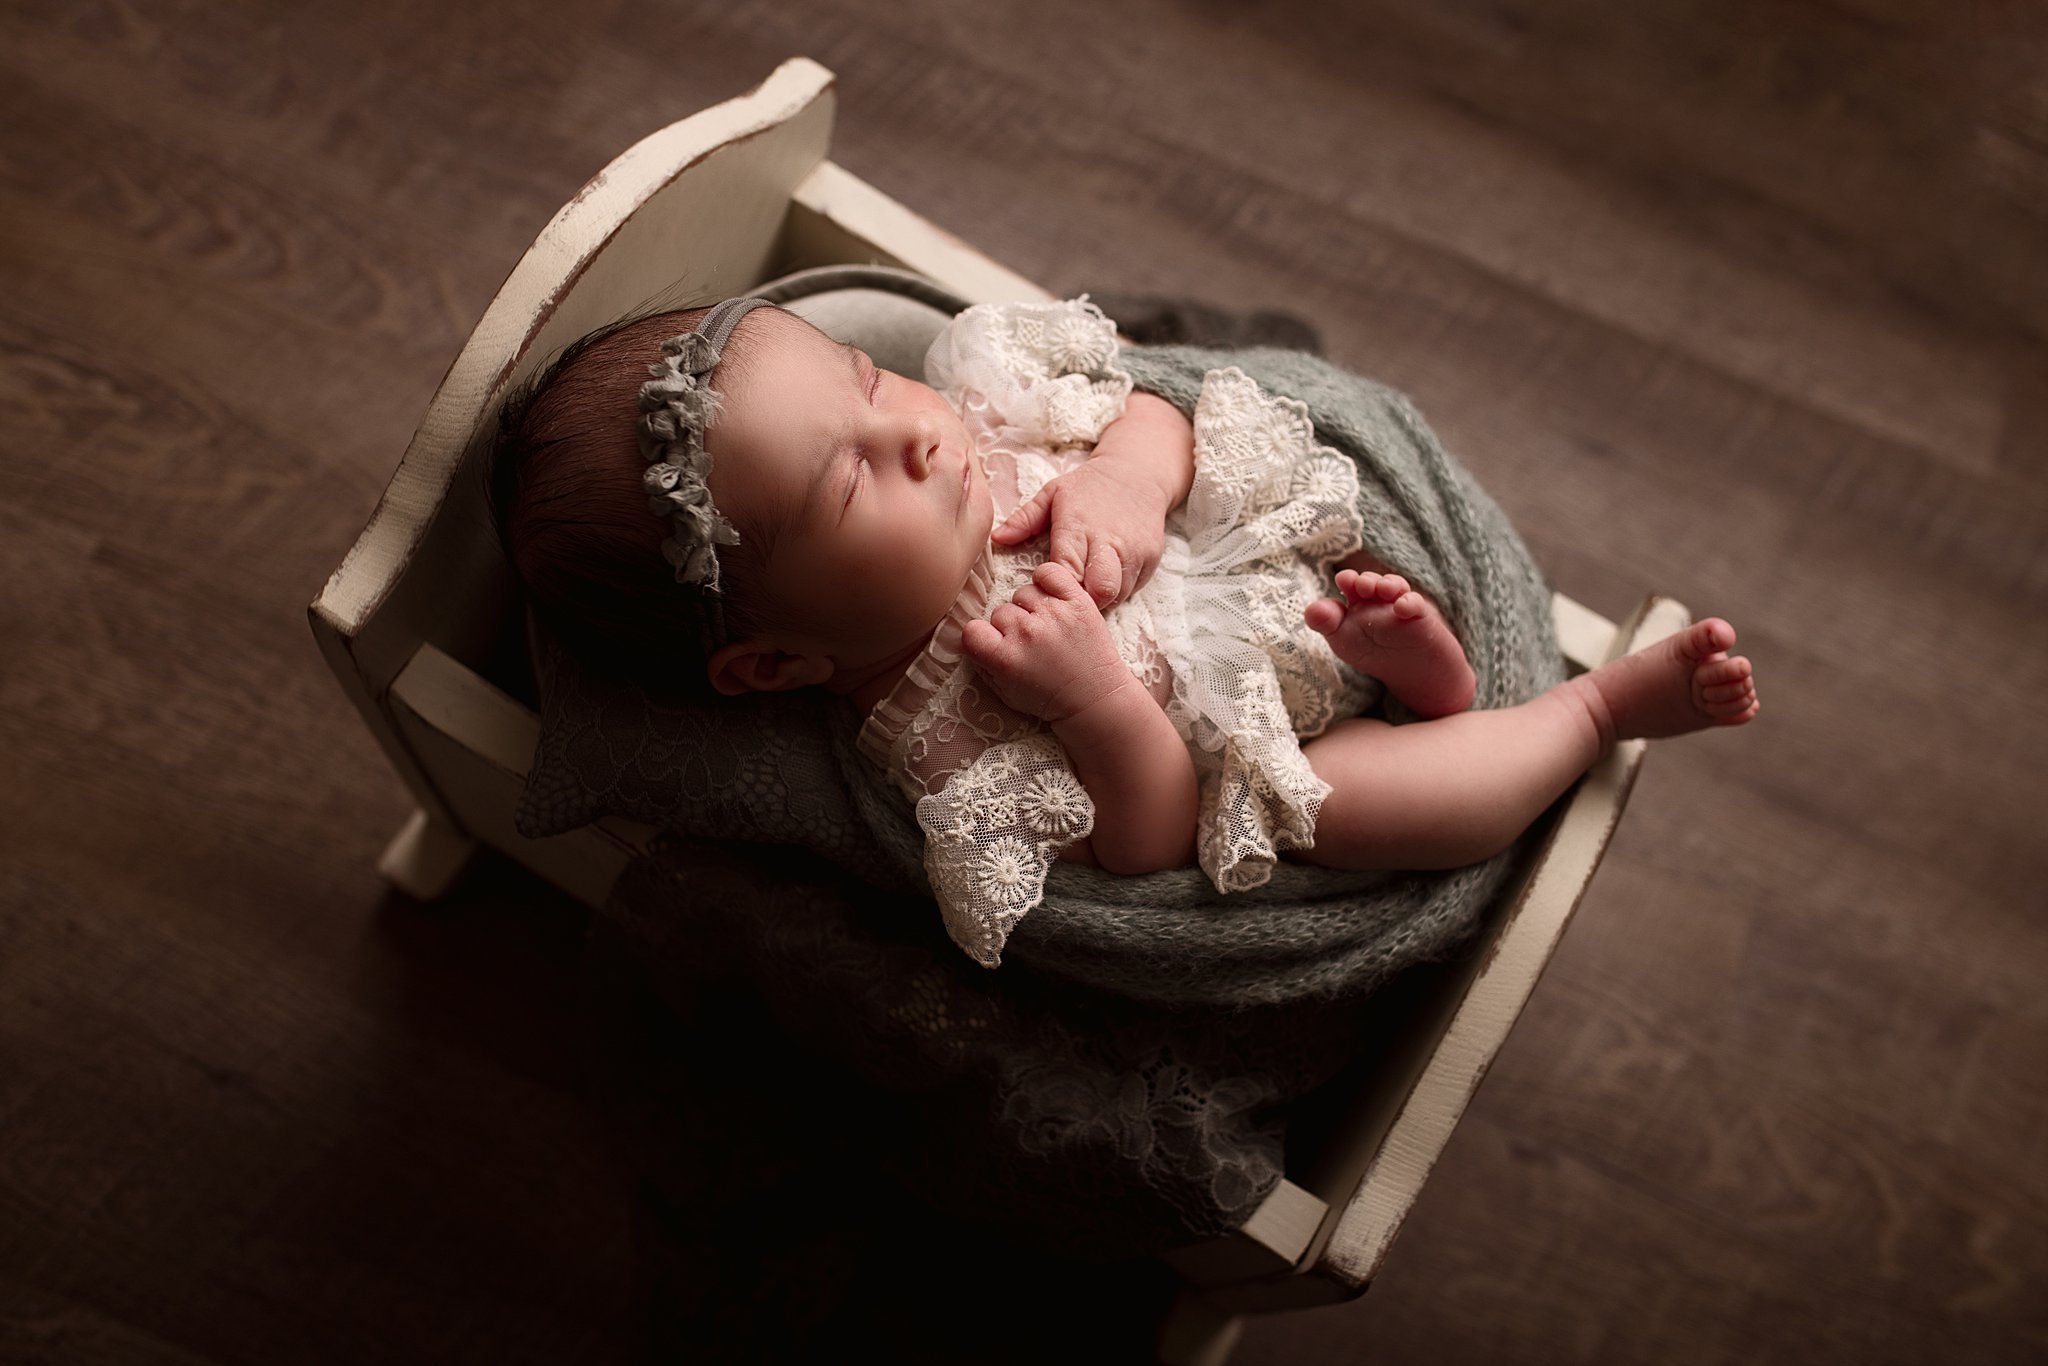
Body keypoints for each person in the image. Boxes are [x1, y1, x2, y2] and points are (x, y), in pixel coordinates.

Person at [492, 295, 1758, 965]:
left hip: (1261, 578)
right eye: (847, 481)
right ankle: (1592, 709)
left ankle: (1420, 662)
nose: (913, 430)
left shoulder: (982, 428)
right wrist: (1095, 700)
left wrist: (1123, 480)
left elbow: (1155, 408)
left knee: (1320, 541)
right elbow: (1143, 845)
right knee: (1343, 797)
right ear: (774, 658)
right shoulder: (927, 740)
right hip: (1237, 759)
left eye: (869, 382)